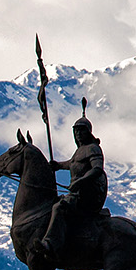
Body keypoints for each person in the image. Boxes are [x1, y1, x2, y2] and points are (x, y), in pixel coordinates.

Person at [41, 99, 108, 260]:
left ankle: (49, 243)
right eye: (76, 131)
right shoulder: (80, 151)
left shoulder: (93, 148)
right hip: (77, 194)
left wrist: (80, 181)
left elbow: (97, 169)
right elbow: (71, 164)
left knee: (58, 208)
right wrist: (57, 165)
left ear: (88, 132)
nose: (78, 134)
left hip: (86, 196)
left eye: (81, 131)